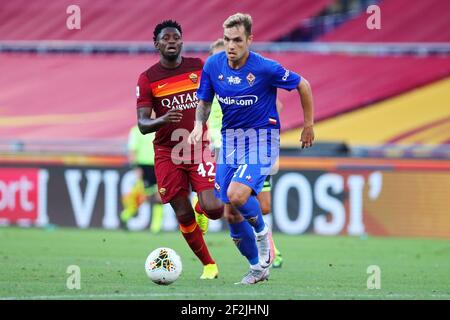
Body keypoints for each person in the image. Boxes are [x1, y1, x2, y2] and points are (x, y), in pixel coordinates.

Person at [189, 13, 314, 284]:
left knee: (236, 194)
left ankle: (262, 234)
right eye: (227, 39)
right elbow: (205, 101)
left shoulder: (266, 68)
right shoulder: (213, 66)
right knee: (231, 213)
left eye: (237, 40)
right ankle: (258, 267)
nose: (231, 45)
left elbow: (303, 85)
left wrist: (308, 125)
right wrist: (199, 125)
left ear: (249, 40)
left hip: (262, 139)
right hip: (230, 141)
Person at [135, 20, 224, 280]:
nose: (171, 41)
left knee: (215, 209)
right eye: (166, 38)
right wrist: (162, 120)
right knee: (182, 213)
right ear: (157, 44)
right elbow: (142, 124)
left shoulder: (198, 67)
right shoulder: (148, 78)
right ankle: (209, 264)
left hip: (199, 146)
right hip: (167, 153)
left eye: (176, 37)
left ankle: (202, 210)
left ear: (182, 41)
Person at [208, 39, 284, 268]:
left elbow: (276, 107)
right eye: (217, 57)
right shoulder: (211, 84)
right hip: (225, 150)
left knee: (263, 205)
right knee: (231, 211)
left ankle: (266, 244)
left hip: (254, 147)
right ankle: (262, 257)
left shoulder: (248, 82)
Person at [120, 125, 164, 234]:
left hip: (159, 164)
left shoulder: (161, 128)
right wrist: (136, 167)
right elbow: (132, 150)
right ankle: (126, 215)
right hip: (144, 166)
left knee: (160, 195)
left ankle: (156, 227)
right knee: (143, 196)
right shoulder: (137, 130)